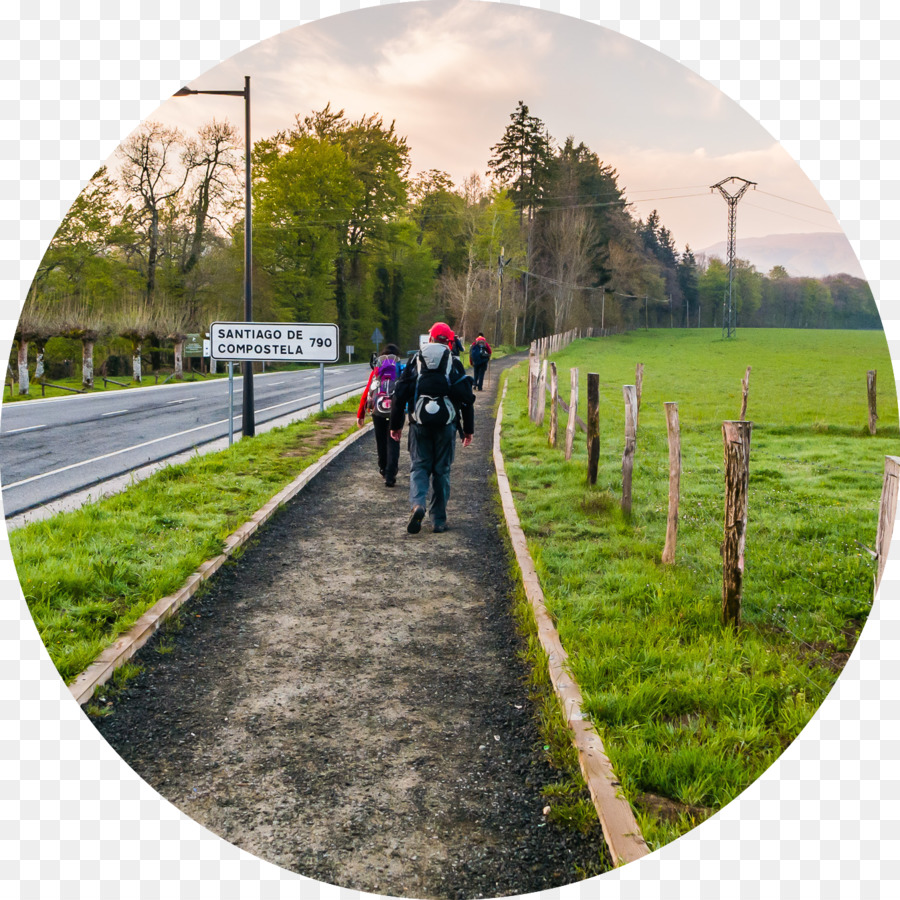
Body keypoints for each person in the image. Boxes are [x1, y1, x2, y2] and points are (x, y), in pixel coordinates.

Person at [390, 322, 474, 534]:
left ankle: (418, 505)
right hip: (446, 426)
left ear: (431, 338)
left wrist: (396, 425)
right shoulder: (453, 362)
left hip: (419, 424)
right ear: (449, 341)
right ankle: (438, 520)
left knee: (419, 467)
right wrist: (468, 429)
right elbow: (466, 399)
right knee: (442, 471)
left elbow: (400, 393)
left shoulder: (416, 360)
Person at [357, 343, 403, 487]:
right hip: (396, 411)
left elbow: (368, 392)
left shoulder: (377, 370)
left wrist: (361, 414)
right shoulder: (400, 370)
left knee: (381, 440)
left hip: (378, 411)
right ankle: (391, 474)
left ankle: (383, 468)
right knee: (394, 440)